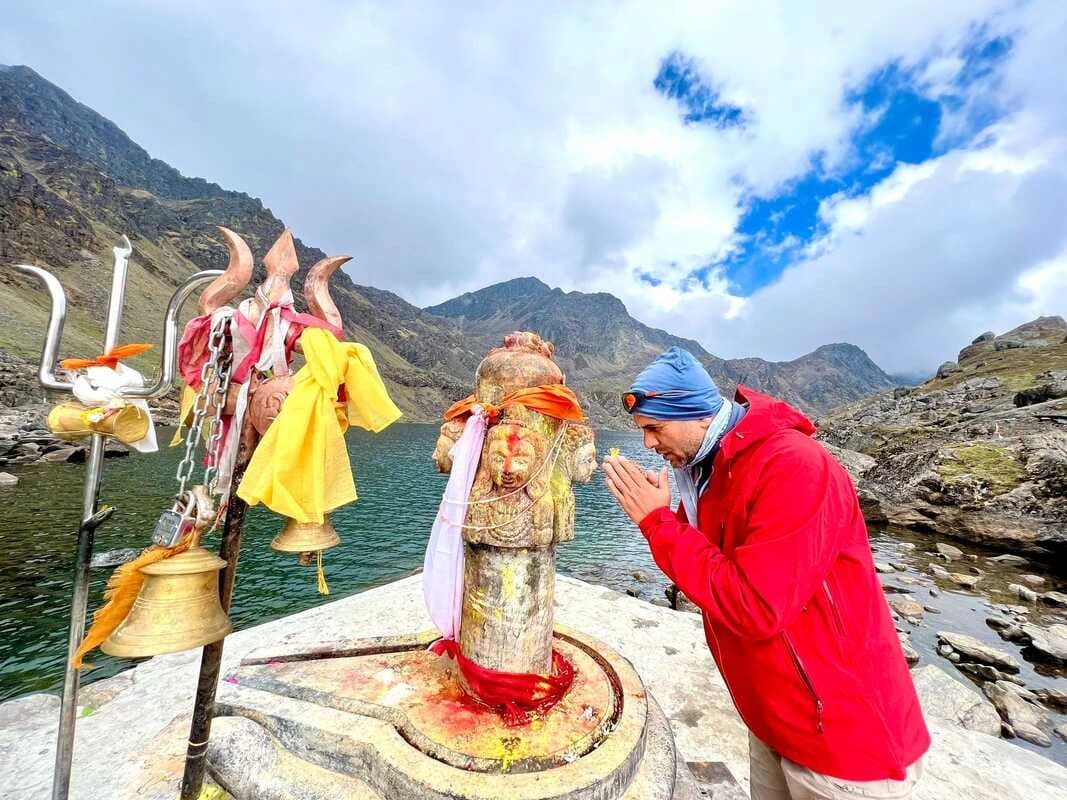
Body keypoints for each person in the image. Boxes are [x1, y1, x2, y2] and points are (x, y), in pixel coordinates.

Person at [601, 347, 929, 800]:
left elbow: (755, 607)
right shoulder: (712, 470)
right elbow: (718, 571)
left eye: (654, 428)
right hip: (776, 714)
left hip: (839, 733)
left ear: (694, 413)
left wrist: (658, 525)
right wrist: (670, 522)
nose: (649, 445)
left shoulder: (790, 465)